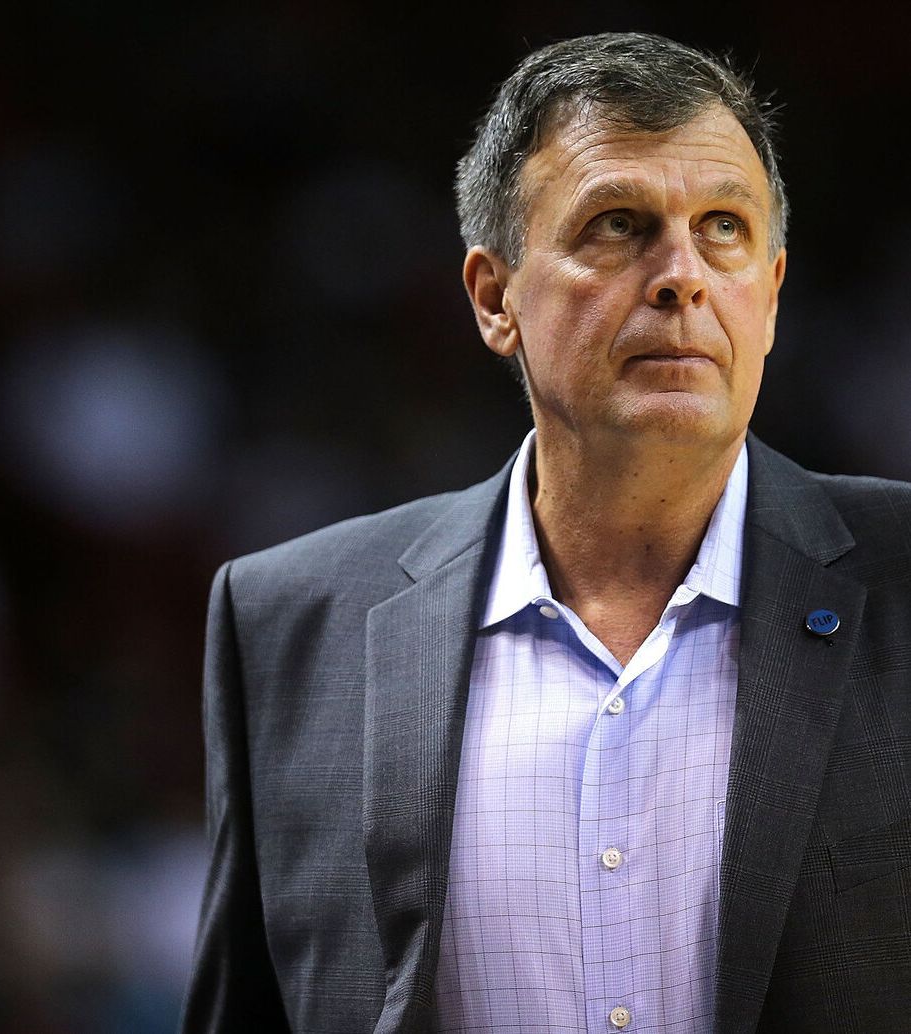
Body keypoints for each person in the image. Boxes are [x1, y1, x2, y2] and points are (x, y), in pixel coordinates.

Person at [180, 32, 911, 1034]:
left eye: (723, 227)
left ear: (772, 293)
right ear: (495, 298)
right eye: (618, 224)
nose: (681, 276)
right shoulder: (287, 626)